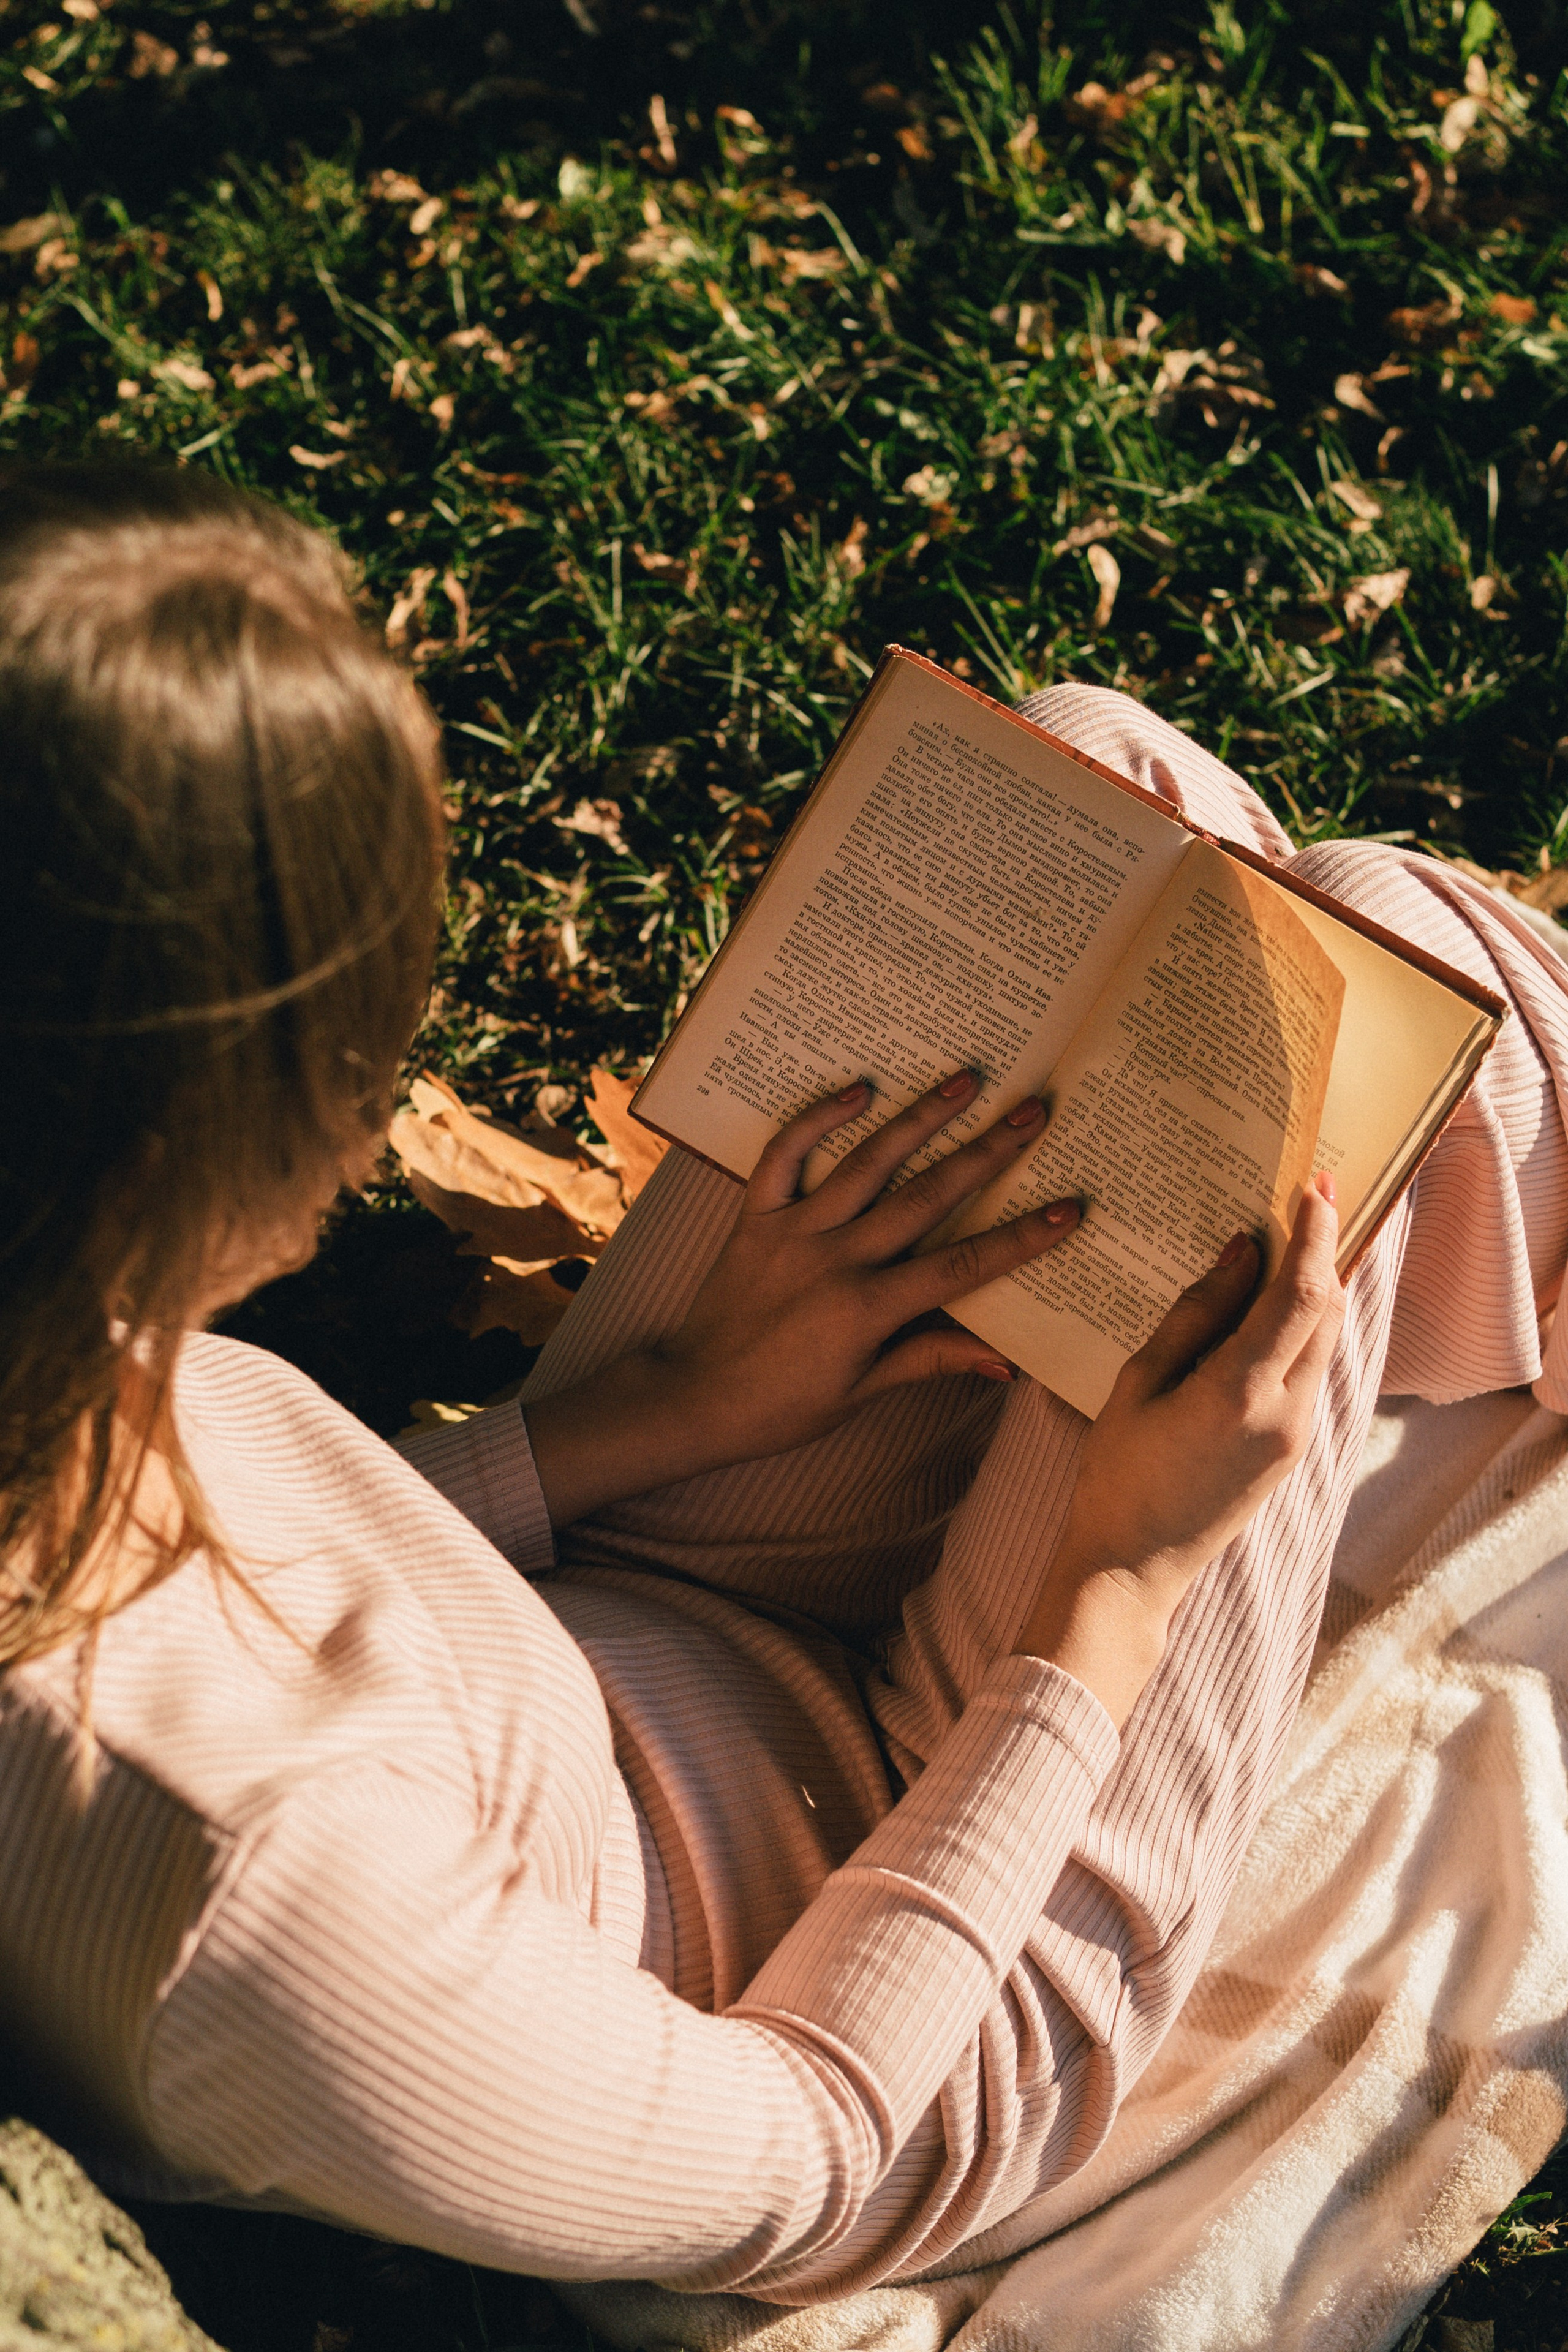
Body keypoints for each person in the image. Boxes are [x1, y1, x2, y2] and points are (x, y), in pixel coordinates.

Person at [0, 466, 1562, 2304]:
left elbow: (265, 1605)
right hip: (922, 1976)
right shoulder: (248, 1908)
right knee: (1349, 1028)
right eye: (374, 1030)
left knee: (1100, 800)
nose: (386, 1089)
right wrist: (1116, 1594)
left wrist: (673, 1405)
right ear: (218, 1124)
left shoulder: (43, 1327)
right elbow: (822, 2151)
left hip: (627, 1618)